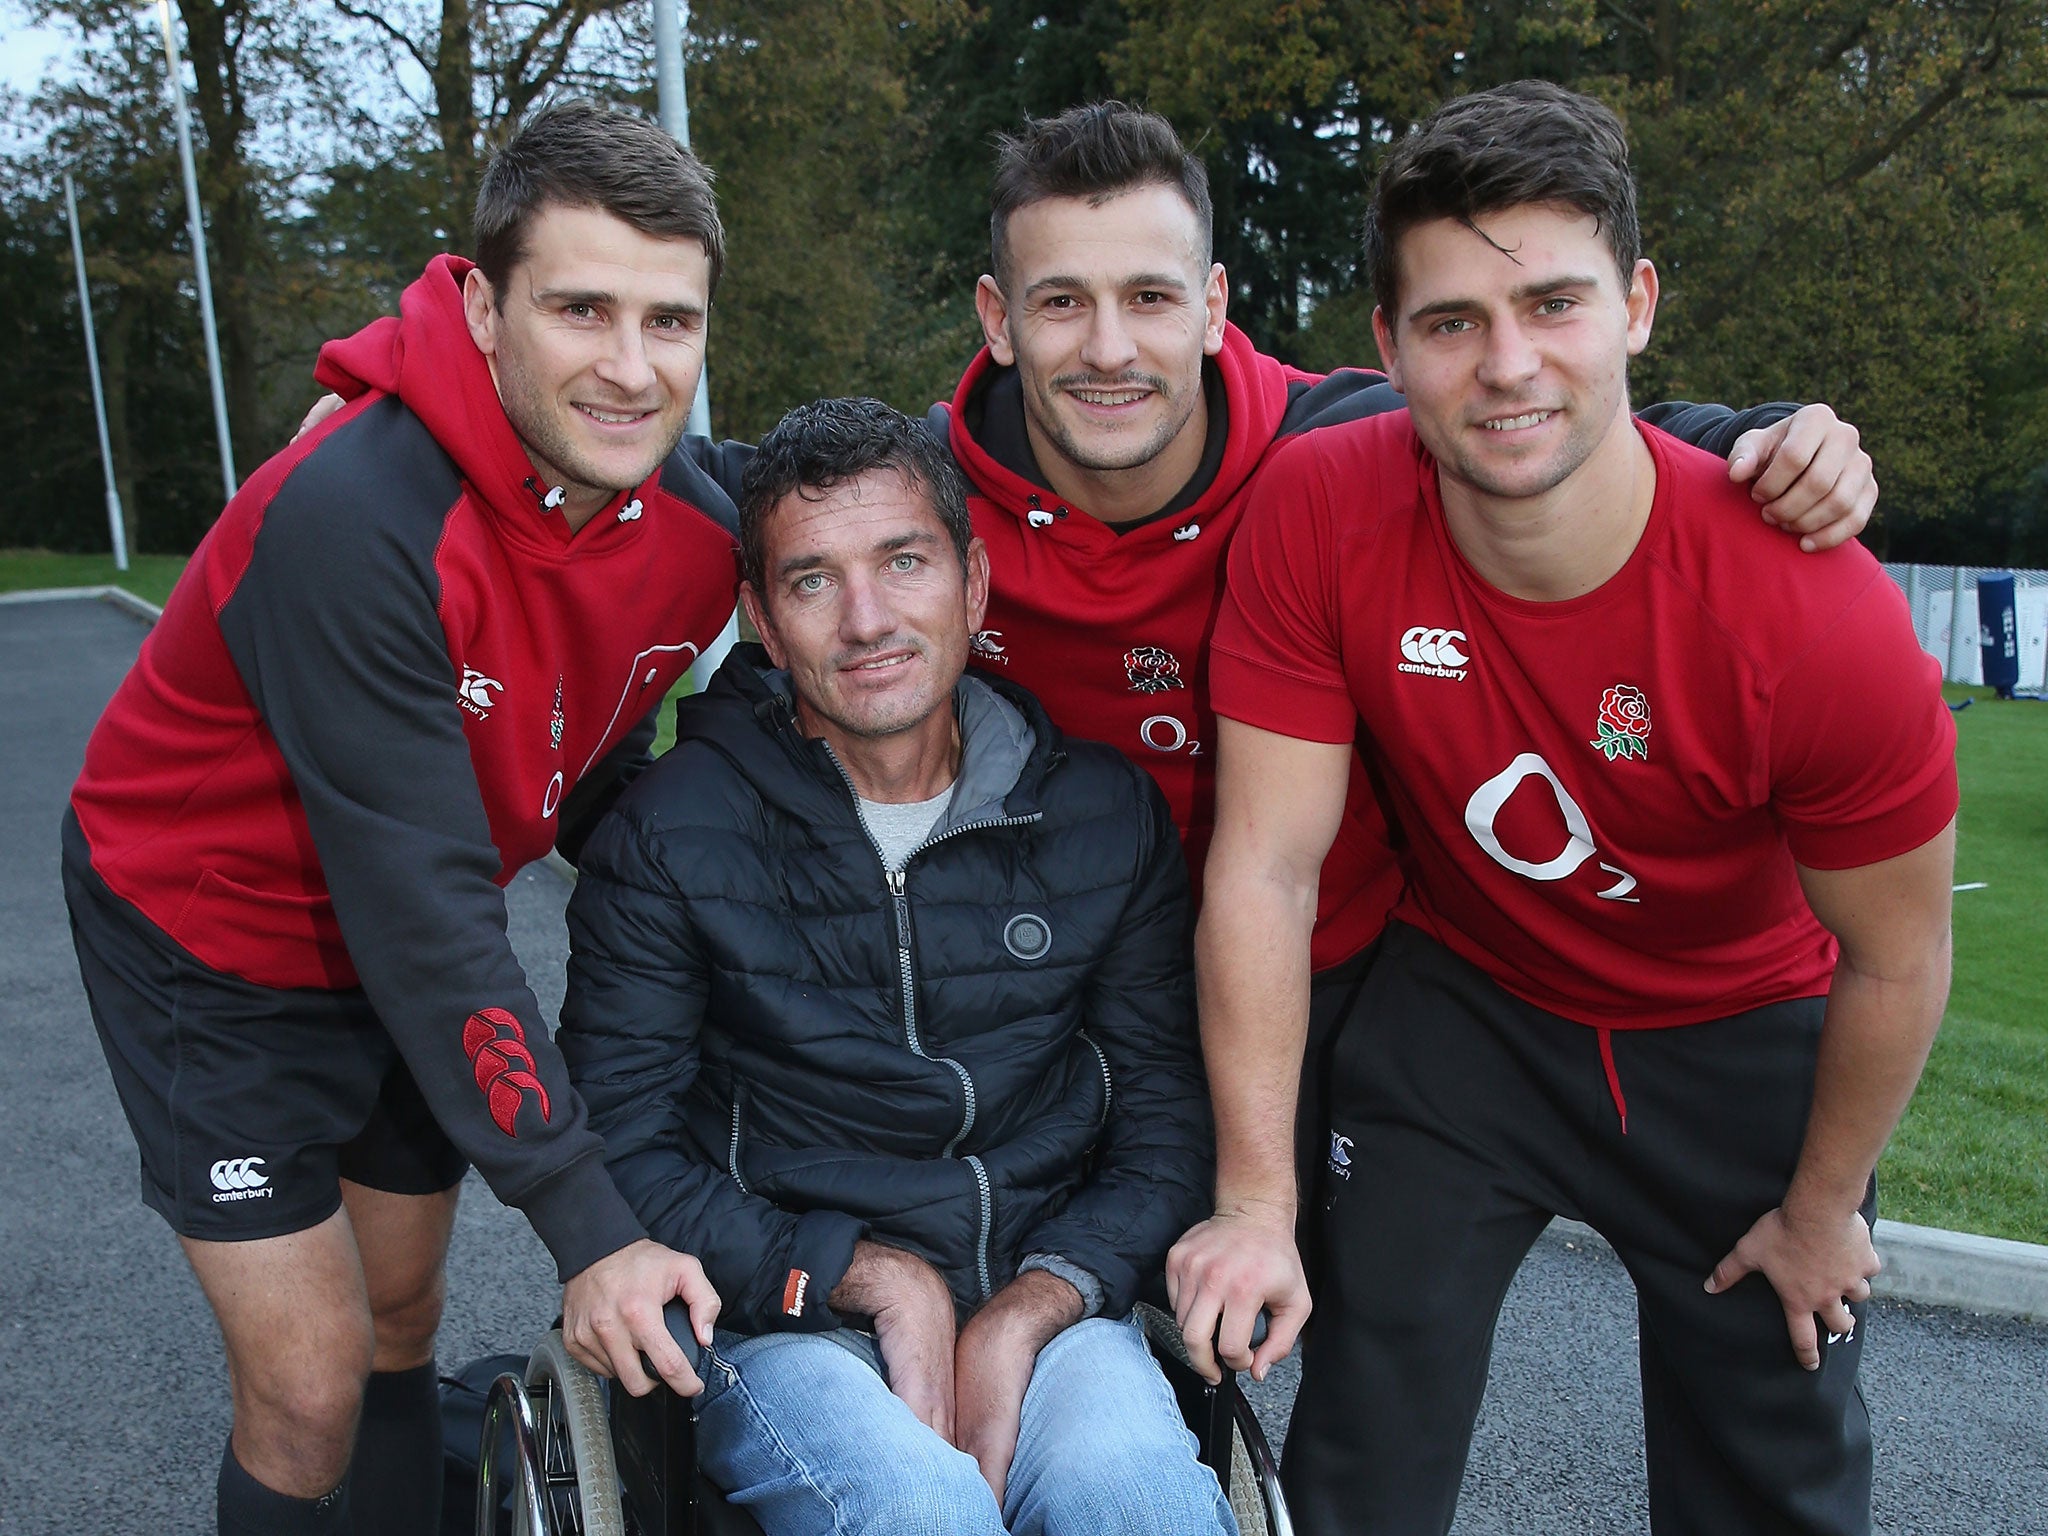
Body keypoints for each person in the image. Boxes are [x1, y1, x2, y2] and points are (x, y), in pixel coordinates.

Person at [933, 102, 1883, 1307]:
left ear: (1215, 305)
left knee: (1318, 1328)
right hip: (1045, 995)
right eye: (1061, 299)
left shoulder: (1337, 445)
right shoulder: (919, 506)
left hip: (1330, 983)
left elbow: (1561, 434)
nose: (1109, 346)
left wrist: (1759, 441)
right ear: (996, 319)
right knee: (1072, 1317)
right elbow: (779, 549)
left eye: (1151, 297)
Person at [1188, 80, 1958, 1536]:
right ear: (1388, 347)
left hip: (1738, 1031)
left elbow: (1901, 954)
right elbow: (1267, 870)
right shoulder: (1319, 508)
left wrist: (1821, 1209)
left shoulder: (1813, 612)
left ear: (1638, 304)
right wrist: (1252, 1199)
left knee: (1771, 1470)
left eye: (1554, 303)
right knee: (1364, 1431)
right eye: (1452, 322)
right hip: (1471, 1010)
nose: (1507, 364)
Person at [62, 101, 736, 1536]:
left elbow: (590, 754)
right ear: (484, 305)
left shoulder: (696, 540)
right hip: (205, 932)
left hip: (402, 925)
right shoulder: (357, 513)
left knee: (400, 1319)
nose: (630, 368)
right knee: (306, 1386)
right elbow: (432, 921)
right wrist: (593, 1224)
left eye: (669, 322)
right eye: (581, 309)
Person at [557, 396, 1230, 1536]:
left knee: (1143, 1504)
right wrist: (870, 1276)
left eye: (902, 562)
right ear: (763, 623)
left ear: (971, 584)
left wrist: (1029, 1306)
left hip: (1048, 1281)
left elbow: (1166, 1114)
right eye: (813, 580)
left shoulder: (1101, 814)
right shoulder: (672, 833)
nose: (865, 619)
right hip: (779, 1311)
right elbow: (618, 1142)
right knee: (921, 1513)